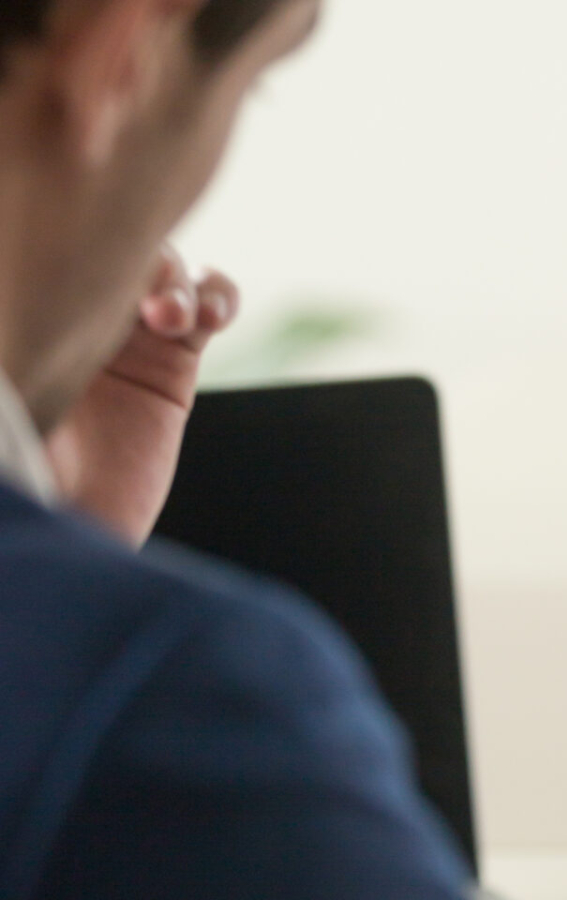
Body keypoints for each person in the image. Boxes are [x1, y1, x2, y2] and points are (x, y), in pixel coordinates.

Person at [0, 0, 470, 896]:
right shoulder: (172, 700)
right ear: (120, 55)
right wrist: (77, 625)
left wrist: (64, 540)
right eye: (251, 84)